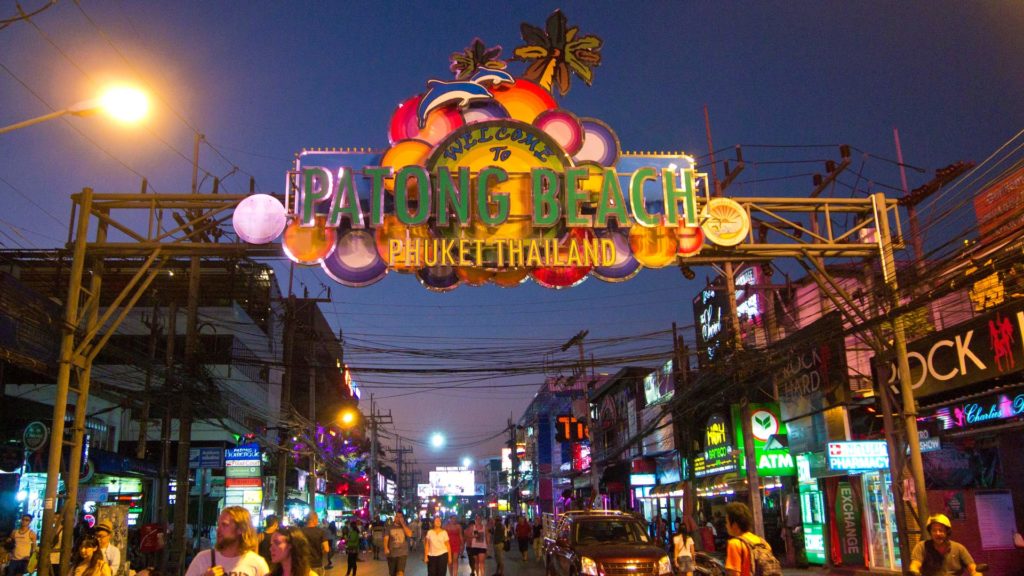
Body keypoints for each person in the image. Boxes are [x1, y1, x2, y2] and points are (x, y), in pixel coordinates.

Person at [183, 506, 270, 576]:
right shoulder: (203, 559)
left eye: (224, 525)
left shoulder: (257, 563)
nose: (218, 530)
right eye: (218, 525)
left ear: (240, 529)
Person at [909, 514, 978, 576]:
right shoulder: (922, 547)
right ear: (930, 533)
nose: (937, 533)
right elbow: (915, 565)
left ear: (947, 532)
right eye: (934, 530)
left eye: (941, 530)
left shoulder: (959, 548)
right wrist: (914, 571)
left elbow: (973, 568)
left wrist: (976, 573)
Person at [723, 503, 772, 576]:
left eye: (727, 522)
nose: (726, 525)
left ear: (734, 525)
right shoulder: (762, 542)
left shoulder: (735, 544)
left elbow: (734, 574)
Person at [383, 511, 412, 576]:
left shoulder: (405, 527)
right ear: (394, 517)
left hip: (402, 553)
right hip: (392, 553)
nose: (398, 518)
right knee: (392, 573)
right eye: (397, 516)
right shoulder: (389, 527)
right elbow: (386, 538)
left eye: (400, 517)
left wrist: (403, 524)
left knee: (400, 573)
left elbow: (409, 534)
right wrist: (385, 548)